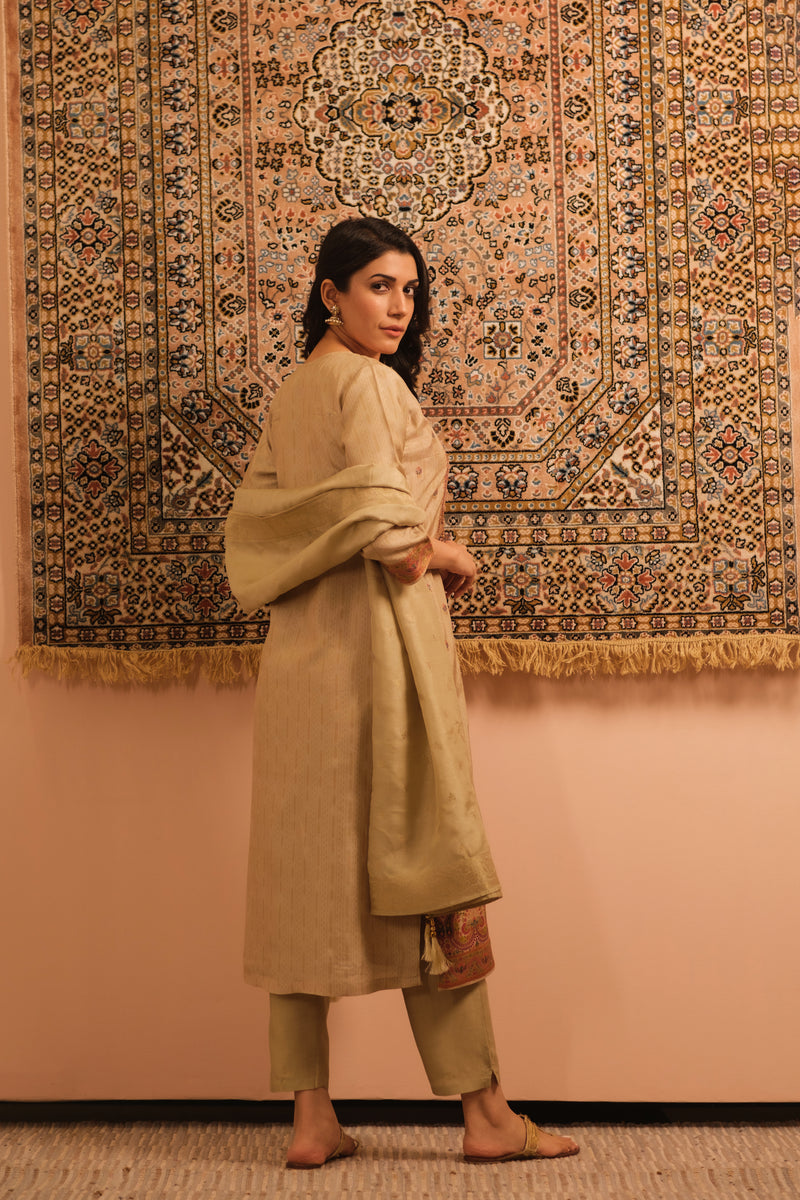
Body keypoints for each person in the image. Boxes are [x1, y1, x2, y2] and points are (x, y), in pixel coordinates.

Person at [224, 216, 579, 1168]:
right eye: (379, 286)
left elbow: (258, 526)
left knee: (303, 882)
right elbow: (390, 534)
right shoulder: (372, 385)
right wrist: (447, 553)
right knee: (433, 864)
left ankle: (310, 1119)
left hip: (304, 668)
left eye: (410, 291)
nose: (399, 308)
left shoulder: (294, 392)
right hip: (384, 658)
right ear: (330, 294)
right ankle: (487, 1116)